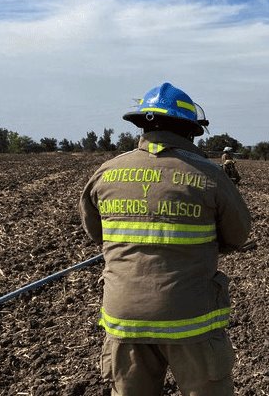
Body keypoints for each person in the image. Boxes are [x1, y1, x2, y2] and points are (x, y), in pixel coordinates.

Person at [79, 82, 252, 396]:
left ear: (141, 127)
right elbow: (238, 235)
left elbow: (98, 235)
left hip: (124, 320)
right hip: (191, 320)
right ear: (190, 131)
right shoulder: (209, 175)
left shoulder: (106, 173)